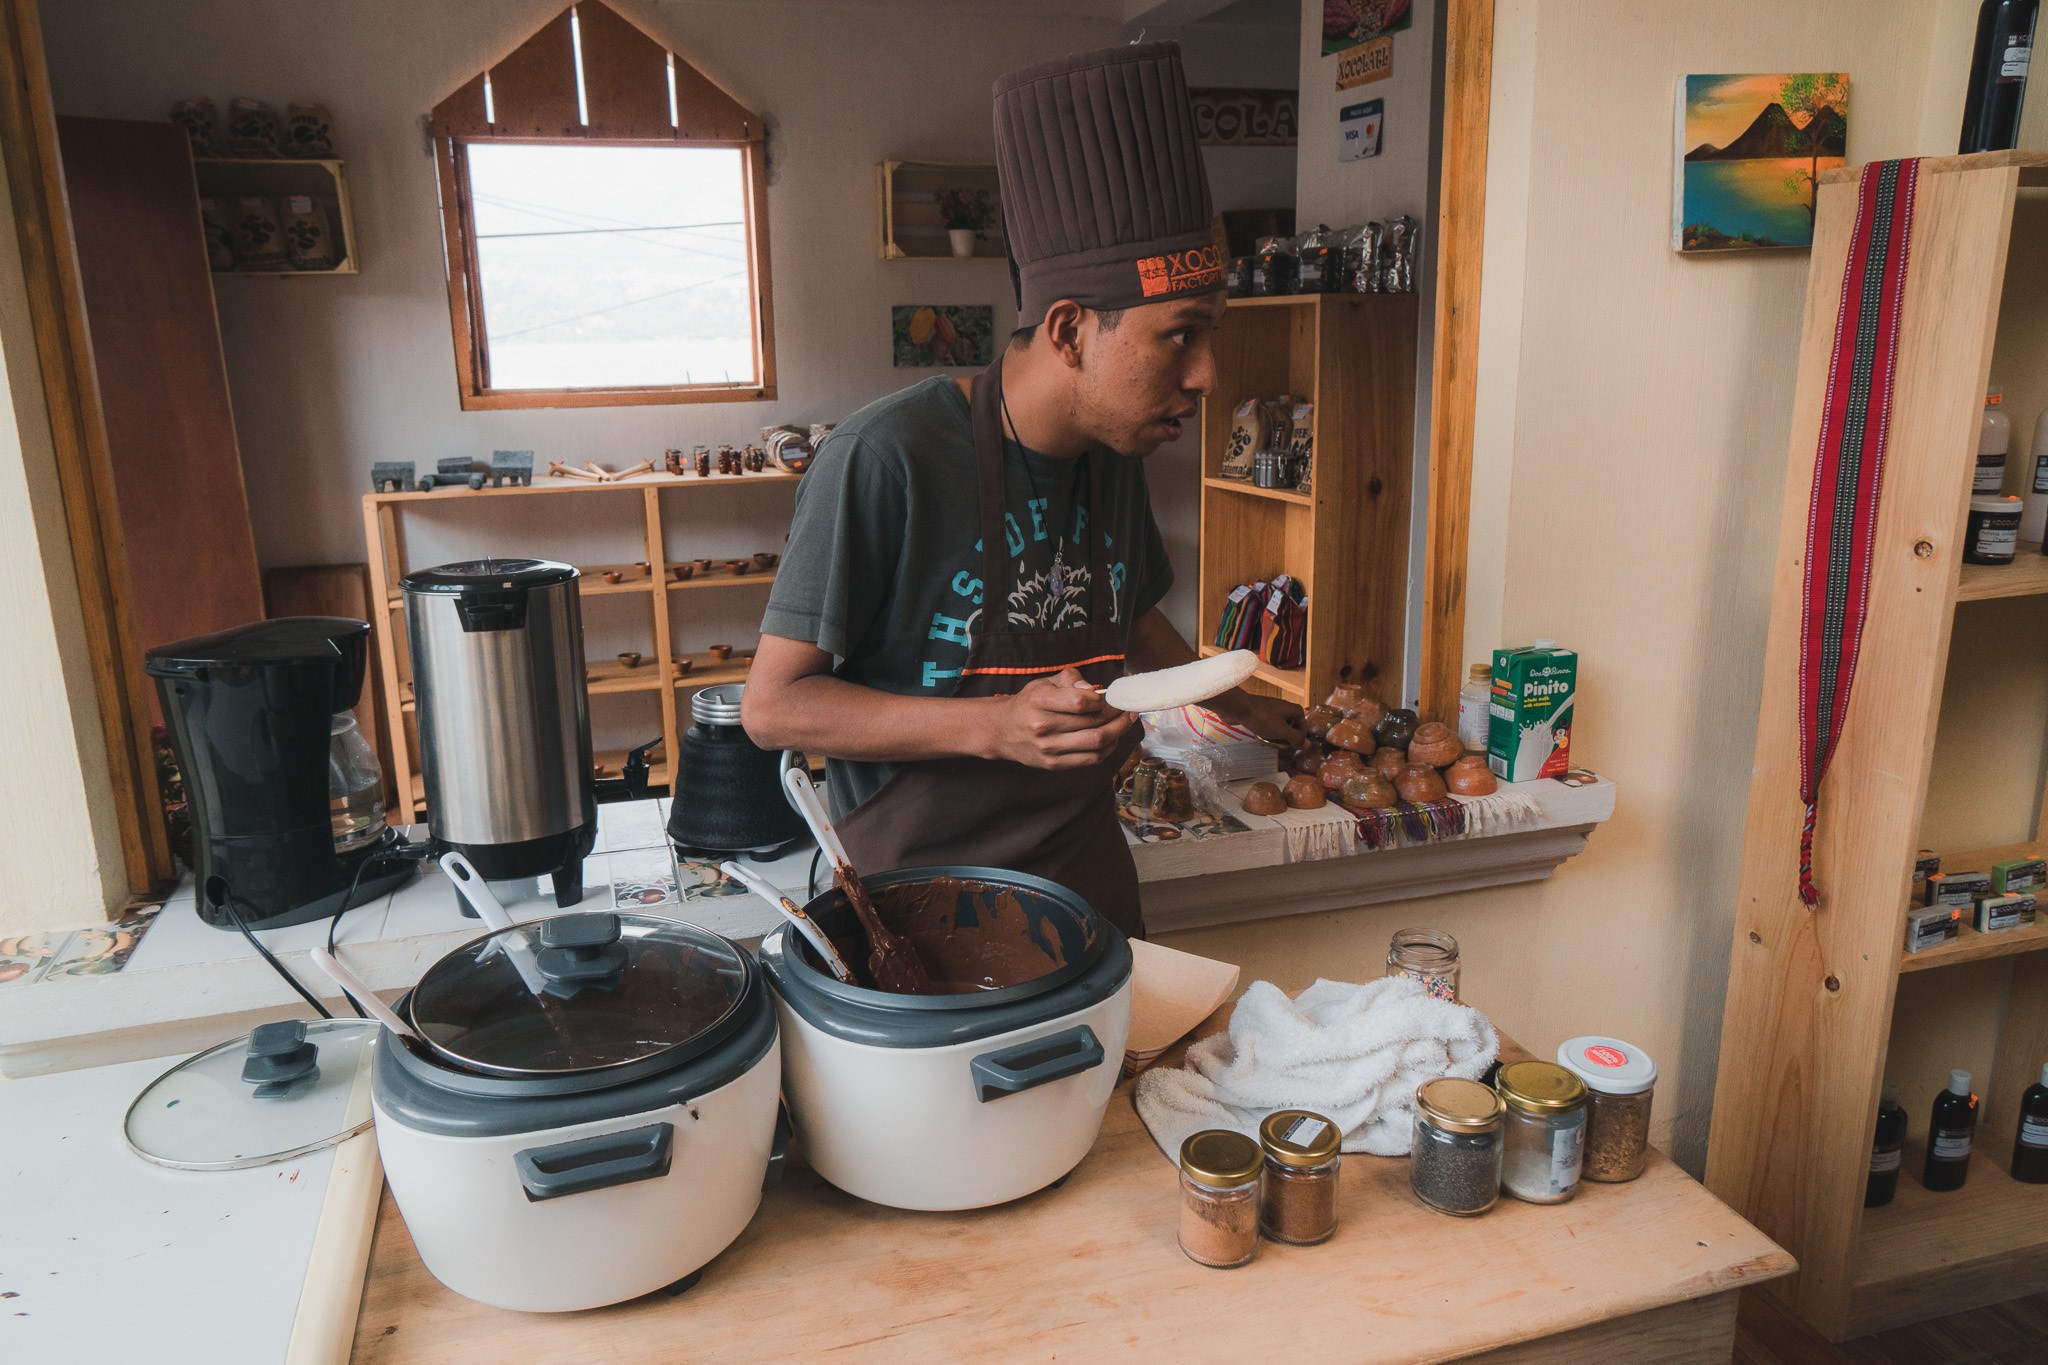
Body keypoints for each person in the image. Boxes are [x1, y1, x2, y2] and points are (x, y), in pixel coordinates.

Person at [743, 41, 1301, 938]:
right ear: (1072, 330)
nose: (1206, 375)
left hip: (1090, 894)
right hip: (925, 916)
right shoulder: (887, 458)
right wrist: (993, 725)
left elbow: (1128, 617)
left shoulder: (1117, 450)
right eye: (1178, 336)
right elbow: (772, 708)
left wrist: (1226, 695)